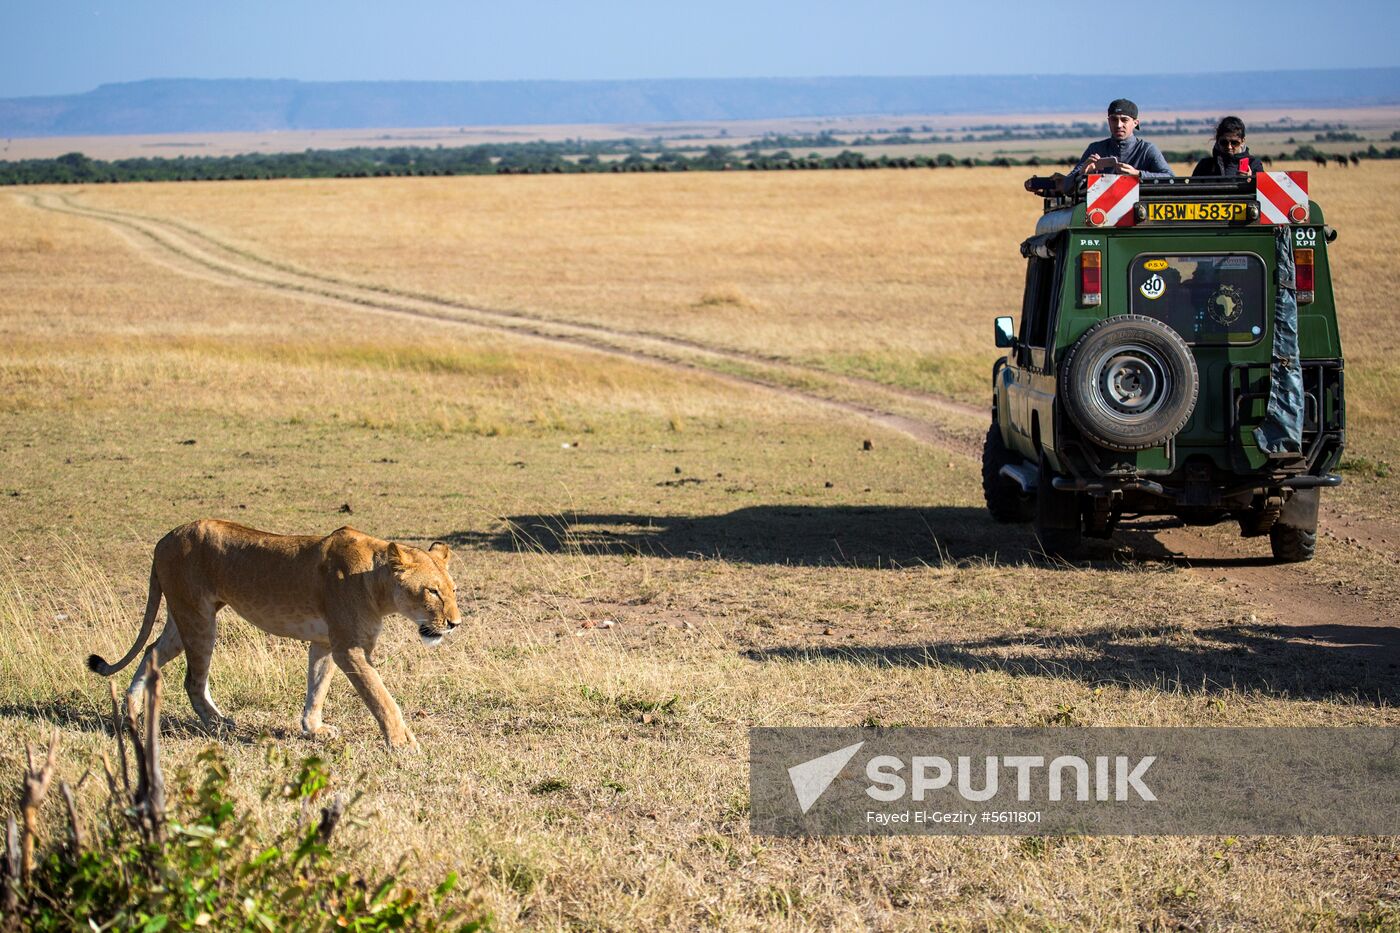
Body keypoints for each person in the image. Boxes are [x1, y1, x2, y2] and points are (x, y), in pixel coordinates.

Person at [1024, 98, 1173, 195]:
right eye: (1114, 120)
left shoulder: (1147, 150)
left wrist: (1138, 174)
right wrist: (1083, 172)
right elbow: (1068, 186)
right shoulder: (1095, 149)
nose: (1119, 125)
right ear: (1108, 121)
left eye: (1124, 120)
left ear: (1135, 123)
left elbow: (1170, 178)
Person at [1191, 116, 1264, 177]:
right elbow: (1192, 192)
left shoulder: (1253, 165)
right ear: (1217, 140)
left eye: (1234, 143)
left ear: (1242, 141)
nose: (1229, 147)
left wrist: (1251, 181)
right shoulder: (1205, 166)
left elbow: (1268, 192)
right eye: (1224, 142)